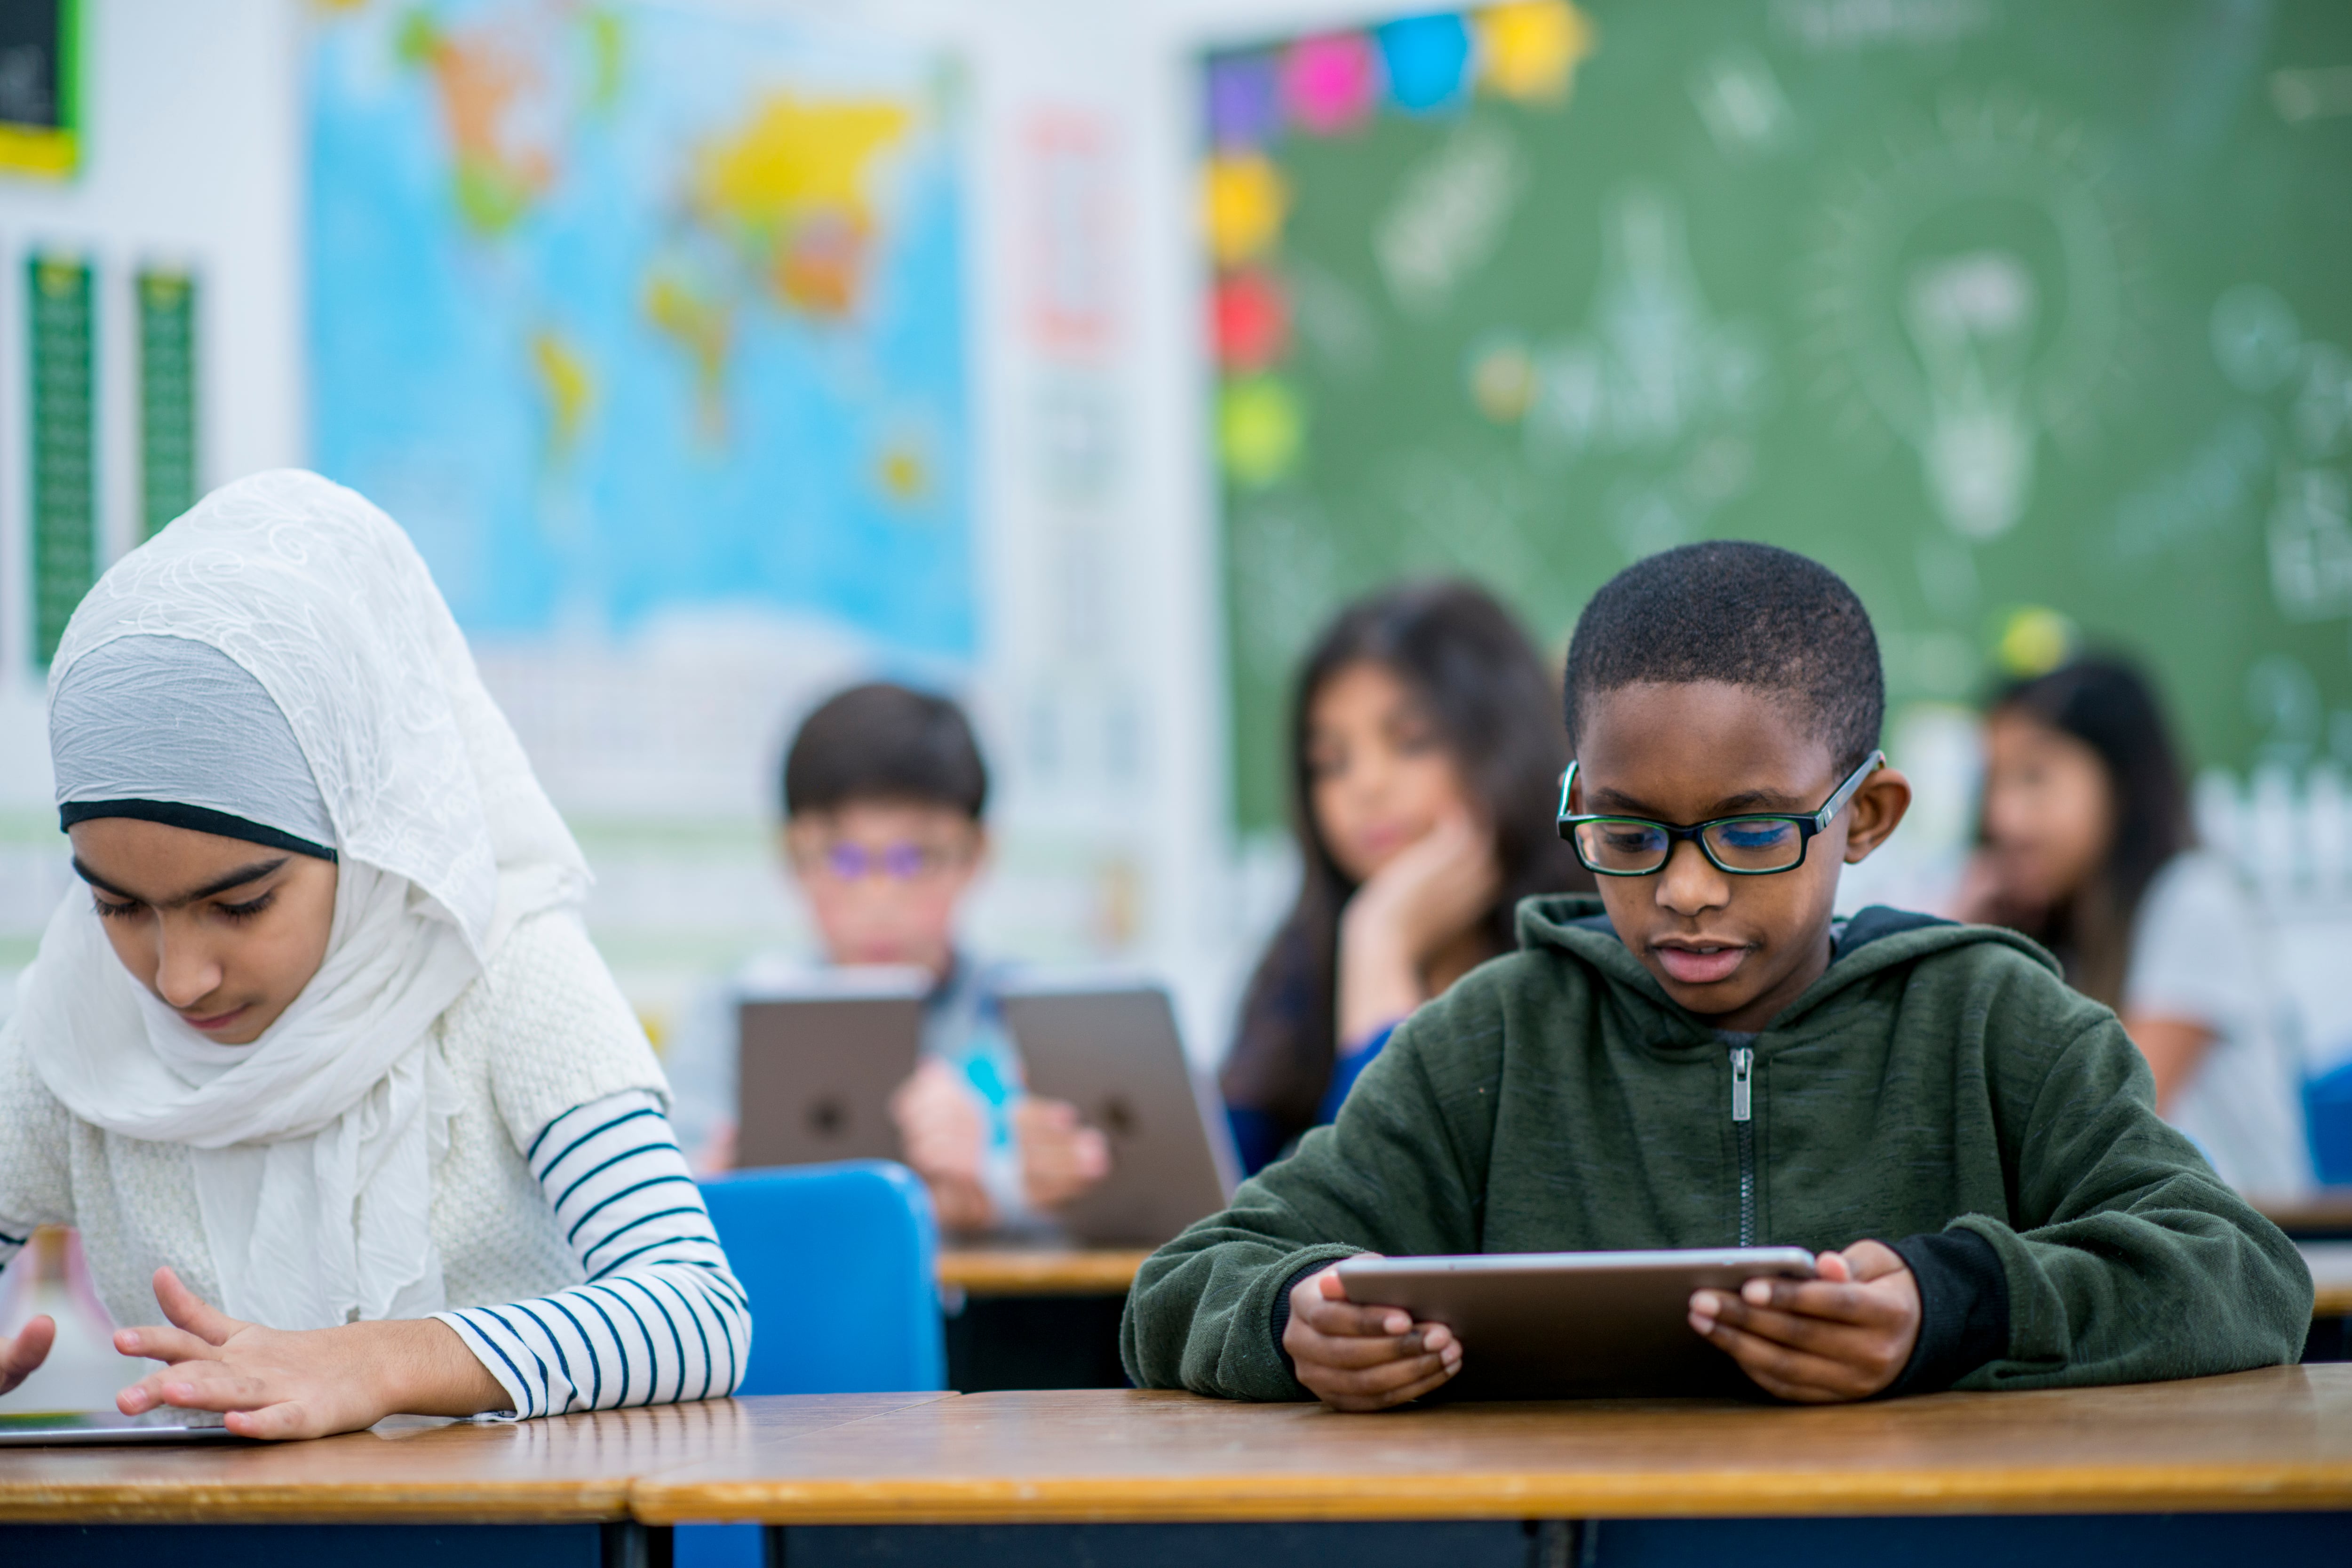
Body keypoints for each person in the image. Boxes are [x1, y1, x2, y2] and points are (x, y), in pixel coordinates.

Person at [1123, 541, 2310, 1411]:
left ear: (1868, 816)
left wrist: (1951, 1305)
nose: (1684, 890)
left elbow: (2246, 1274)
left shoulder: (1997, 1022)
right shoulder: (1488, 1038)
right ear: (1576, 806)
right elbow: (1182, 1284)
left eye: (1750, 834)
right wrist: (1293, 1324)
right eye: (1629, 835)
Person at [0, 471, 748, 1439]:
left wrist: (383, 1360)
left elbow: (696, 1312)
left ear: (369, 833)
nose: (178, 975)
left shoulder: (502, 967)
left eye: (241, 903)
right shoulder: (72, 1014)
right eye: (115, 904)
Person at [664, 683, 1109, 1234]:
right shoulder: (736, 1011)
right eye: (842, 858)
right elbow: (669, 1201)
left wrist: (1000, 1194)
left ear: (976, 855)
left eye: (913, 858)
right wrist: (722, 1189)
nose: (878, 897)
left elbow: (1129, 1211)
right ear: (792, 857)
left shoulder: (1040, 1019)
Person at [1221, 582, 1590, 1175]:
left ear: (1503, 743)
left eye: (1411, 743)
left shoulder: (1583, 957)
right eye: (1329, 763)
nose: (1365, 786)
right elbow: (1218, 1186)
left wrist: (1380, 945)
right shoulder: (1299, 963)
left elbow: (1381, 1204)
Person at [1959, 657, 2312, 1195]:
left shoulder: (2194, 899)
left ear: (2119, 781)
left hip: (2252, 1259)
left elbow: (2099, 1121)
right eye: (1994, 782)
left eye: (2034, 777)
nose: (2003, 817)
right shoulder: (2055, 927)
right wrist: (1959, 933)